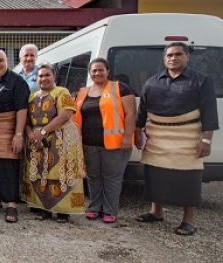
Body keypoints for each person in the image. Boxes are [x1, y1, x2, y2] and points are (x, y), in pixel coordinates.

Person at [134, 42, 218, 236]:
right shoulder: (152, 82)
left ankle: (189, 220)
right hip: (157, 136)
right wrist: (138, 132)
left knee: (188, 179)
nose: (173, 58)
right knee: (155, 176)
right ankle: (156, 212)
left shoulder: (201, 81)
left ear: (187, 57)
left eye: (178, 54)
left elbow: (210, 113)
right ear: (164, 59)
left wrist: (206, 140)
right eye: (169, 55)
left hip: (187, 136)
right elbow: (143, 111)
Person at [73, 58, 136, 224]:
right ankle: (94, 208)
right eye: (93, 71)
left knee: (112, 178)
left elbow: (131, 114)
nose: (97, 73)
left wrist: (128, 136)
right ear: (89, 73)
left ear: (108, 71)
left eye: (101, 70)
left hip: (115, 143)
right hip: (89, 144)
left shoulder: (120, 88)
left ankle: (110, 210)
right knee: (93, 177)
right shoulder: (83, 92)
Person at [23, 64, 86, 223]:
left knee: (61, 173)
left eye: (47, 75)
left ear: (54, 77)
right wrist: (31, 134)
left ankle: (63, 211)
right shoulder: (32, 96)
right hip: (37, 141)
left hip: (61, 138)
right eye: (41, 76)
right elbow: (26, 119)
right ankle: (41, 208)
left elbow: (65, 114)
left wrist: (43, 132)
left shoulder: (61, 92)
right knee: (38, 172)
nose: (44, 79)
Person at [0, 49, 29, 223]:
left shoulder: (17, 81)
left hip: (9, 129)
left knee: (8, 166)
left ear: (7, 61)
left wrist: (18, 134)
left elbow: (22, 109)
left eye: (1, 61)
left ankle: (11, 204)